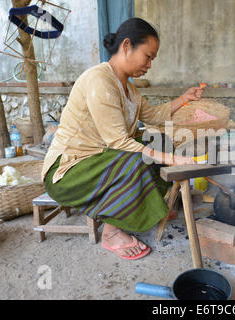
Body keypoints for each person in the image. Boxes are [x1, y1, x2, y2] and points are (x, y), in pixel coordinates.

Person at [42, 17, 204, 261]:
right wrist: (173, 160)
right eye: (148, 56)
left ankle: (149, 206)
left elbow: (154, 116)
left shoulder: (129, 88)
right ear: (126, 45)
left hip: (101, 161)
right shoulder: (99, 80)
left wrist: (184, 99)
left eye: (153, 59)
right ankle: (112, 231)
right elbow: (119, 142)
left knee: (158, 141)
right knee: (136, 157)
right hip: (69, 172)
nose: (150, 64)